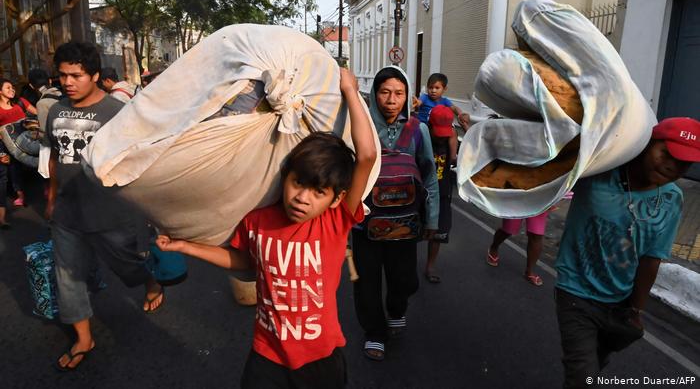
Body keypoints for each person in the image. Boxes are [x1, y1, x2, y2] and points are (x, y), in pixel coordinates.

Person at [156, 68, 376, 389]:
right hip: (267, 354)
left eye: (318, 192)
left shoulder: (336, 220)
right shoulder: (257, 220)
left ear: (335, 199)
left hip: (321, 357)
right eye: (298, 183)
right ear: (285, 176)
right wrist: (186, 246)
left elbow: (367, 155)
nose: (302, 198)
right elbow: (245, 263)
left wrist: (350, 91)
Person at [554, 117, 700, 388]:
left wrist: (636, 309)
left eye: (684, 163)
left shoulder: (672, 199)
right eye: (667, 154)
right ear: (647, 143)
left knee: (595, 363)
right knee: (582, 376)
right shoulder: (599, 171)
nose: (672, 167)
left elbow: (651, 258)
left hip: (619, 301)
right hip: (575, 291)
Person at [46, 41, 162, 371]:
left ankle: (151, 282)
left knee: (126, 266)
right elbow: (54, 156)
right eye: (63, 75)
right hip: (68, 212)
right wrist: (52, 198)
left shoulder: (117, 112)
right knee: (67, 276)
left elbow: (138, 160)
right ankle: (84, 338)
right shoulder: (55, 111)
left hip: (111, 213)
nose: (67, 82)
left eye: (76, 75)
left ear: (95, 75)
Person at [352, 66, 439, 361]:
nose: (392, 100)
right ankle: (375, 332)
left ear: (407, 95)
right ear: (375, 94)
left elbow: (429, 176)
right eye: (385, 92)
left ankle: (397, 306)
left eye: (399, 93)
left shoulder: (419, 130)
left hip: (406, 224)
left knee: (404, 280)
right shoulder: (359, 128)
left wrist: (433, 218)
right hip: (365, 224)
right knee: (366, 282)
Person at [423, 105, 457, 283]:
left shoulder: (450, 138)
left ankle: (430, 266)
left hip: (443, 193)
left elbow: (456, 158)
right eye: (438, 131)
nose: (441, 136)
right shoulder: (421, 135)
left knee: (439, 232)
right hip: (421, 193)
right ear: (429, 125)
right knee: (414, 231)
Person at [0, 78, 37, 207]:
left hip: (26, 139)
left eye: (12, 87)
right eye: (8, 88)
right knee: (13, 168)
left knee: (36, 160)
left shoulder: (21, 101)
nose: (12, 89)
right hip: (8, 143)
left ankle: (48, 186)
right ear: (0, 91)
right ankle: (20, 194)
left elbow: (38, 113)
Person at [486, 211, 548, 286]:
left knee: (536, 234)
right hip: (517, 201)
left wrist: (554, 200)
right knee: (508, 229)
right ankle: (494, 247)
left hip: (540, 202)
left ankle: (529, 271)